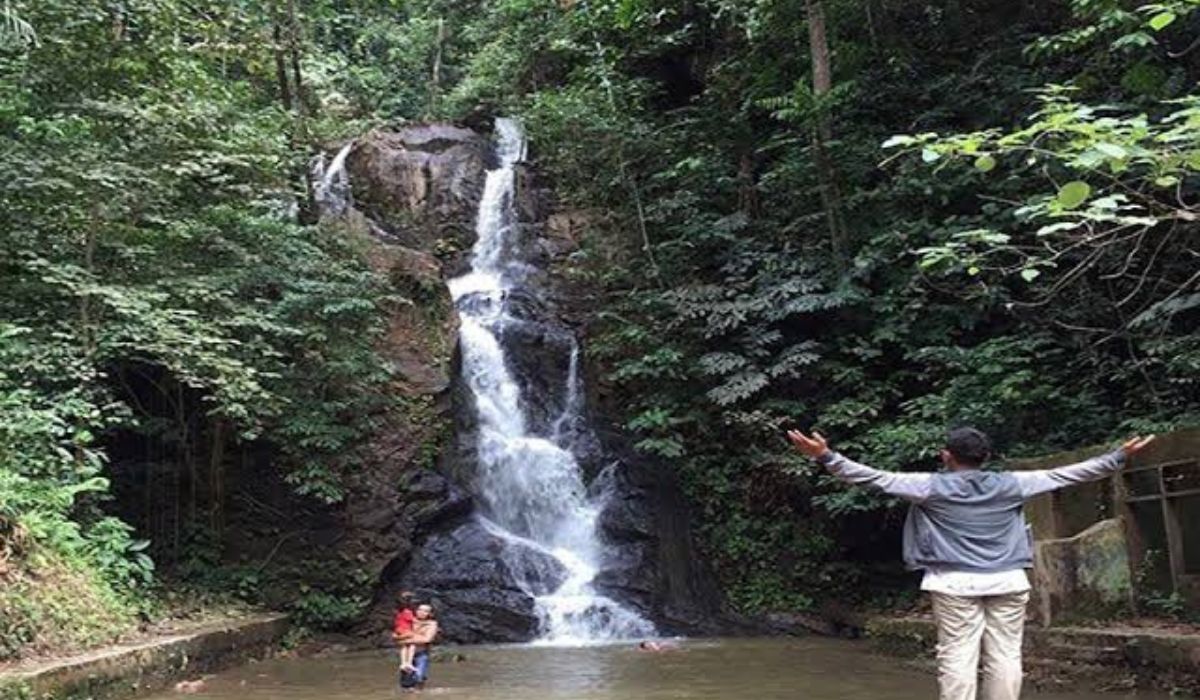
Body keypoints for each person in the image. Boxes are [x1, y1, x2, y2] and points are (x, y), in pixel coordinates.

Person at [787, 426, 1155, 700]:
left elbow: (871, 477)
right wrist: (1118, 457)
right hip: (1008, 579)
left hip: (953, 583)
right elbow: (1072, 473)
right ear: (986, 457)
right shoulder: (1014, 483)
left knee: (958, 654)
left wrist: (825, 456)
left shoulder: (928, 486)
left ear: (947, 455)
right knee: (1006, 654)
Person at [399, 603, 439, 691]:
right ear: (416, 611)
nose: (422, 612)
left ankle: (419, 694)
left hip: (421, 653)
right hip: (406, 654)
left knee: (419, 677)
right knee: (406, 682)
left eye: (425, 611)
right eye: (420, 610)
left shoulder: (432, 624)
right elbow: (396, 635)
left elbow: (427, 639)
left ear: (430, 614)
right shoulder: (409, 620)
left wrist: (407, 639)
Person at [393, 591, 418, 674]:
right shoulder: (407, 611)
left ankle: (403, 663)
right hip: (405, 629)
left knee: (404, 647)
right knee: (412, 645)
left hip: (399, 629)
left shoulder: (398, 611)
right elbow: (414, 621)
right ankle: (409, 663)